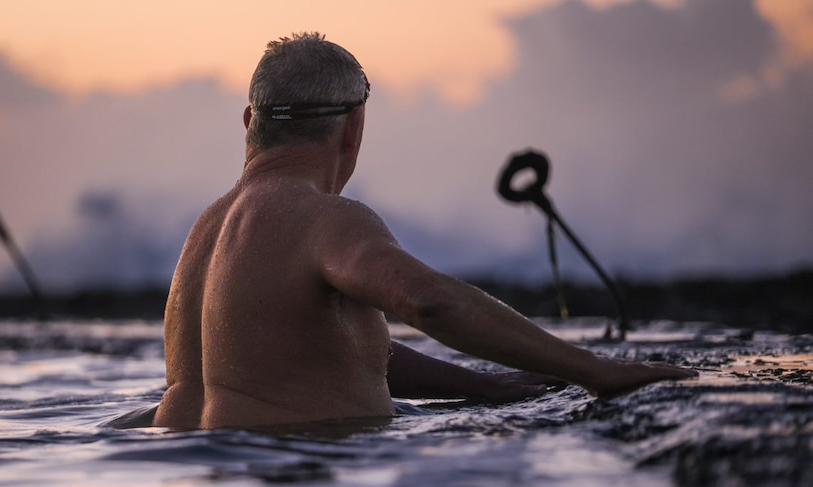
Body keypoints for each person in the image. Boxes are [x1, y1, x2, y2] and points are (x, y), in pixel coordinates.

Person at [152, 32, 695, 430]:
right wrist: (596, 370)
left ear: (251, 122)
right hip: (306, 486)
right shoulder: (324, 218)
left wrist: (489, 386)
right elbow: (429, 302)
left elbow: (314, 353)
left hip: (207, 484)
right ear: (353, 129)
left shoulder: (204, 236)